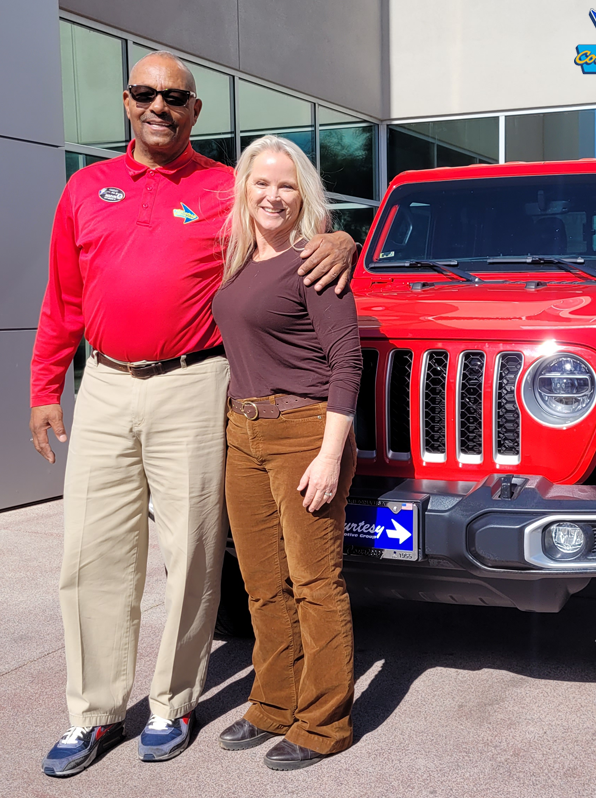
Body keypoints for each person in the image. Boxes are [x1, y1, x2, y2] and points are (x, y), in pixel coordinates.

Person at [31, 52, 356, 777]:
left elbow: (289, 227)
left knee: (193, 554)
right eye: (145, 94)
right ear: (126, 102)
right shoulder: (84, 188)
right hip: (105, 383)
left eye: (174, 97)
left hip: (194, 383)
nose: (160, 106)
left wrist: (342, 238)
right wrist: (45, 386)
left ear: (194, 110)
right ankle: (93, 713)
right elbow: (63, 297)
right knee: (90, 556)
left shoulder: (225, 189)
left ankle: (173, 702)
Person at [211, 135, 361, 771]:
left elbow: (346, 362)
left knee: (315, 584)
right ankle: (273, 702)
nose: (273, 196)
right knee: (262, 585)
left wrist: (329, 457)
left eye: (287, 185)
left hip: (304, 433)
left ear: (304, 195)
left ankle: (324, 723)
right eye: (262, 183)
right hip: (243, 435)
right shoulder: (239, 260)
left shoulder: (314, 261)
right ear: (244, 189)